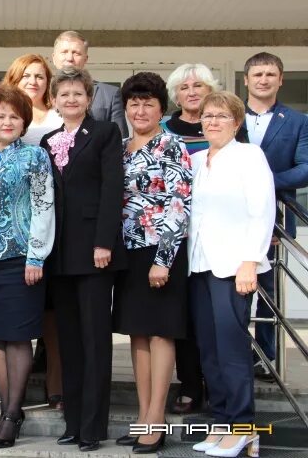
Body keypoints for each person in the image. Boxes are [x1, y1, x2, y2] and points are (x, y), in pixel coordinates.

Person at [41, 68, 126, 453]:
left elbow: (112, 190)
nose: (71, 99)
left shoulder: (106, 134)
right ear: (54, 100)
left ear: (89, 98)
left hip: (94, 253)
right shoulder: (46, 140)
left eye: (78, 93)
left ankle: (93, 427)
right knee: (69, 343)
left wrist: (103, 241)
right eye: (64, 94)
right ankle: (73, 423)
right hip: (58, 255)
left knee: (94, 341)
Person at [0, 85, 55, 448]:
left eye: (14, 116)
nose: (7, 121)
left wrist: (36, 255)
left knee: (18, 337)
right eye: (0, 115)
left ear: (24, 122)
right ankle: (7, 408)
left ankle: (12, 413)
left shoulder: (35, 157)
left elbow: (43, 205)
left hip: (20, 259)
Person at [188, 91, 275, 458]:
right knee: (209, 351)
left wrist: (250, 261)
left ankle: (243, 428)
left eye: (221, 116)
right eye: (207, 115)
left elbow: (262, 209)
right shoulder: (194, 160)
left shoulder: (249, 156)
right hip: (199, 265)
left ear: (236, 122)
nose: (212, 121)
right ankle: (221, 423)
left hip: (233, 267)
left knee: (232, 349)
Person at [112, 72, 192, 454]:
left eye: (148, 103)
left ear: (162, 108)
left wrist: (162, 260)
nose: (140, 109)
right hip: (128, 253)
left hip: (162, 254)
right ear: (125, 108)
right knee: (138, 333)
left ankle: (156, 420)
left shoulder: (172, 145)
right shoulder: (122, 146)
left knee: (160, 333)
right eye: (134, 103)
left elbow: (180, 206)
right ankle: (142, 416)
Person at [163, 63, 244, 415]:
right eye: (184, 87)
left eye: (199, 85)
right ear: (175, 94)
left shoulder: (227, 131)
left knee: (220, 327)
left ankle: (226, 398)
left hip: (221, 246)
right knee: (185, 318)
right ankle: (191, 385)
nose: (192, 92)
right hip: (177, 239)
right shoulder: (164, 129)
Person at [0, 53, 64, 406]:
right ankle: (12, 400)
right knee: (6, 329)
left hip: (43, 233)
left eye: (40, 75)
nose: (34, 81)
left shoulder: (58, 120)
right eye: (26, 76)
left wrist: (37, 249)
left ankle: (55, 385)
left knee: (50, 316)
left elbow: (44, 199)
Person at [241, 52, 308, 382]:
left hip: (275, 219)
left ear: (280, 79)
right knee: (232, 292)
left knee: (270, 292)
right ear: (246, 80)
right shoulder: (229, 116)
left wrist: (264, 180)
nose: (263, 80)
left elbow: (305, 167)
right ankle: (237, 356)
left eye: (270, 74)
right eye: (257, 75)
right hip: (231, 220)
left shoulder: (298, 121)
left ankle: (267, 357)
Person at [51, 30, 128, 137]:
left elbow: (120, 139)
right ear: (54, 58)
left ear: (85, 59)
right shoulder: (41, 93)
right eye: (64, 52)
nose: (69, 58)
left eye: (76, 53)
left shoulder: (110, 94)